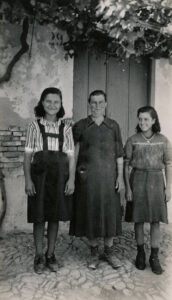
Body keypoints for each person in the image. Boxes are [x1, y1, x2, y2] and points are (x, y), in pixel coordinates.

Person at [70, 90, 124, 270]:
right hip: (87, 180)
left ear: (106, 104)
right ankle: (94, 252)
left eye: (100, 102)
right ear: (89, 104)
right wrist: (72, 178)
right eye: (93, 103)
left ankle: (108, 252)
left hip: (109, 179)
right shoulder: (81, 126)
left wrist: (120, 178)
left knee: (110, 214)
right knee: (90, 214)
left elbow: (119, 155)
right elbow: (74, 153)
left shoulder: (113, 126)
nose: (97, 106)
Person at [24, 87, 75, 274]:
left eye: (56, 102)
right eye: (48, 101)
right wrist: (28, 180)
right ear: (42, 103)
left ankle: (50, 254)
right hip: (39, 178)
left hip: (60, 178)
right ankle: (38, 254)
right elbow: (28, 156)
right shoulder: (34, 126)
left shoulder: (66, 127)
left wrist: (71, 180)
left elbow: (71, 156)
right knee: (39, 217)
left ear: (61, 105)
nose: (52, 105)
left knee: (54, 217)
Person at [124, 106, 172, 275]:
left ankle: (154, 256)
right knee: (138, 219)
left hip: (157, 182)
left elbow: (168, 164)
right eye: (140, 119)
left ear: (153, 121)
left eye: (146, 119)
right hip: (137, 181)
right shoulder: (132, 140)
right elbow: (126, 164)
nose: (143, 122)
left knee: (155, 220)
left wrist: (169, 188)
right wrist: (128, 188)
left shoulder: (163, 140)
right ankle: (140, 253)